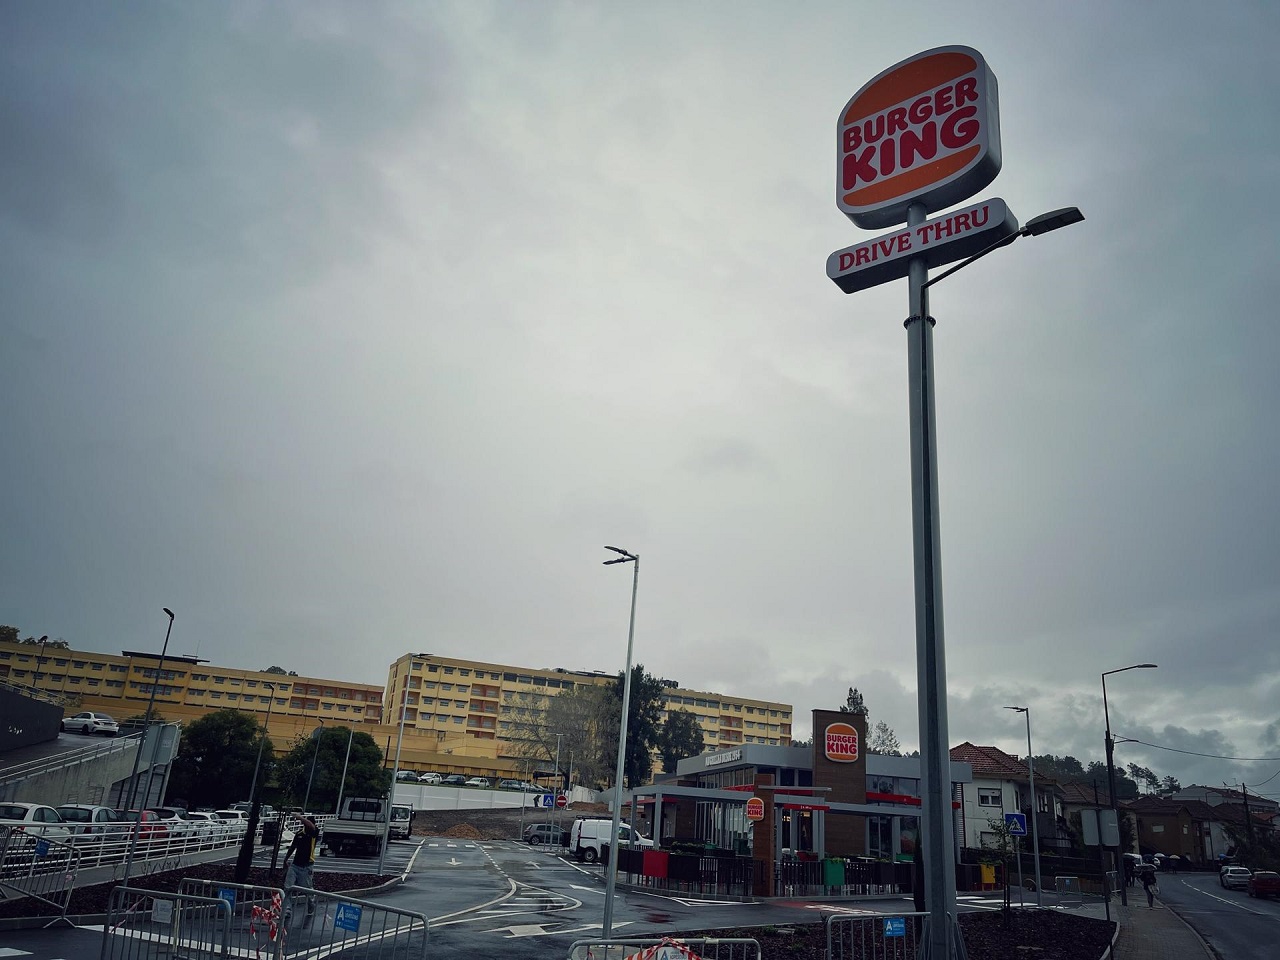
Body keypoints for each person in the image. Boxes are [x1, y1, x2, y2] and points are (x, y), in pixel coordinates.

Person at [282, 815, 320, 917]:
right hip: (295, 865)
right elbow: (293, 847)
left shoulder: (314, 832)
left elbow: (311, 826)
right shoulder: (299, 834)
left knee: (306, 889)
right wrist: (286, 859)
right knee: (287, 887)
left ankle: (311, 903)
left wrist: (300, 817)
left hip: (307, 866)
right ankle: (287, 910)